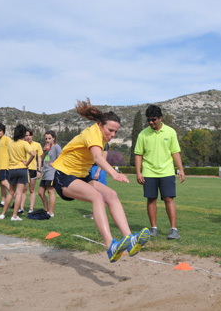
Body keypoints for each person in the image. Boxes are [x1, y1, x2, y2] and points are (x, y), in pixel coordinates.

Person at [52, 99, 149, 262]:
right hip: (64, 176)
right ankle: (110, 245)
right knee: (97, 196)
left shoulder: (102, 137)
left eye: (116, 132)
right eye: (110, 130)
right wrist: (114, 174)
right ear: (100, 125)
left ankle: (130, 240)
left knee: (111, 194)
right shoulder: (93, 133)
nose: (112, 135)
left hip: (82, 176)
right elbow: (97, 157)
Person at [134, 104, 186, 239]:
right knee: (151, 199)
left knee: (169, 199)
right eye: (149, 120)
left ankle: (173, 229)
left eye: (154, 119)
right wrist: (139, 172)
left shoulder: (171, 132)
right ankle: (153, 228)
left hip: (167, 172)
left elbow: (175, 152)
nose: (151, 122)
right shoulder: (143, 134)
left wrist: (181, 169)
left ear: (160, 118)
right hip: (149, 172)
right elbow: (138, 154)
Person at [0, 124, 35, 221]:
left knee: (10, 193)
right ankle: (14, 215)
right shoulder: (24, 143)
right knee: (19, 194)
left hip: (12, 170)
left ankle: (3, 214)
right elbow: (33, 154)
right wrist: (27, 163)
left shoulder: (10, 143)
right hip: (22, 169)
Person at [38, 130, 62, 217]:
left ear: (53, 139)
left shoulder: (57, 147)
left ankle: (51, 212)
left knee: (50, 191)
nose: (47, 140)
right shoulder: (47, 147)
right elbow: (43, 158)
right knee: (40, 192)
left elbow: (62, 158)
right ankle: (46, 209)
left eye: (49, 138)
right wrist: (44, 151)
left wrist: (54, 164)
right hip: (45, 172)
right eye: (46, 139)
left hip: (52, 172)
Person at [20, 128, 43, 214]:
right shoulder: (22, 144)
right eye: (26, 135)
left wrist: (39, 170)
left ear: (32, 135)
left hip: (33, 169)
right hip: (23, 169)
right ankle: (21, 208)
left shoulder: (37, 145)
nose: (28, 137)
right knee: (23, 189)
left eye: (29, 135)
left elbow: (39, 158)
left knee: (32, 189)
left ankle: (31, 208)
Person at [84, 143, 110, 219]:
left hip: (99, 170)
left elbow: (103, 160)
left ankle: (100, 214)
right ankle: (95, 213)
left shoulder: (105, 144)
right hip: (92, 168)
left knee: (101, 193)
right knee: (94, 193)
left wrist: (98, 172)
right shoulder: (95, 142)